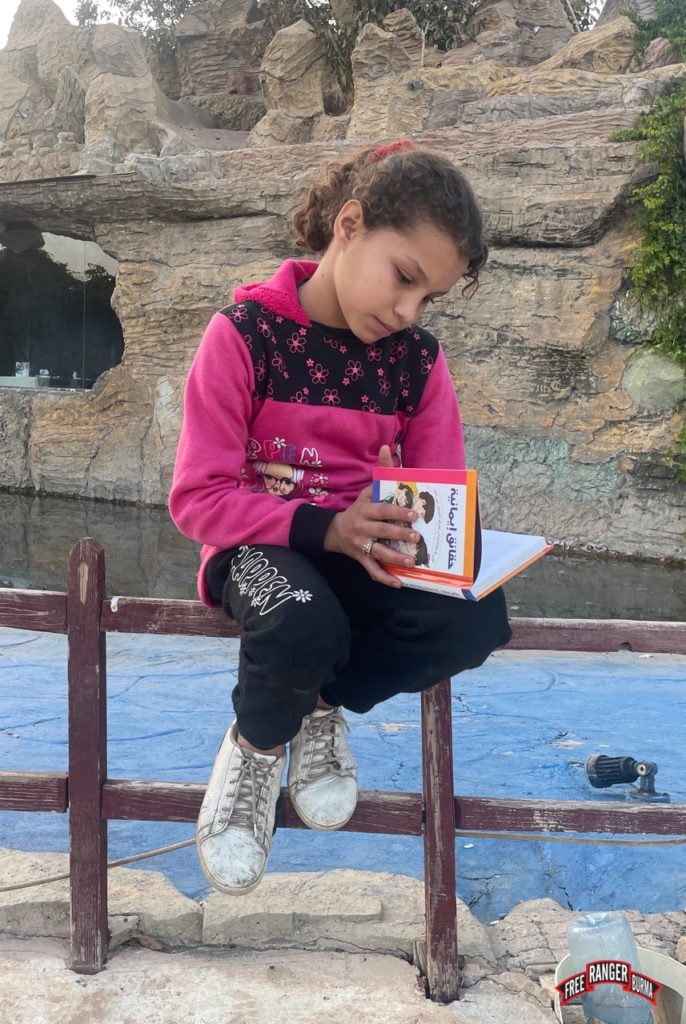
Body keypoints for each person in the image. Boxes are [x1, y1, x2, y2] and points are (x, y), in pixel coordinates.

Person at [169, 138, 512, 897]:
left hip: (364, 552)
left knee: (475, 617)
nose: (407, 311)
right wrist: (325, 528)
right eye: (405, 278)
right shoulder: (244, 335)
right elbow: (198, 499)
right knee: (302, 623)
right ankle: (257, 750)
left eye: (429, 300)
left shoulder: (415, 363)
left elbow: (439, 490)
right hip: (259, 544)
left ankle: (323, 703)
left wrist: (443, 540)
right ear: (349, 226)